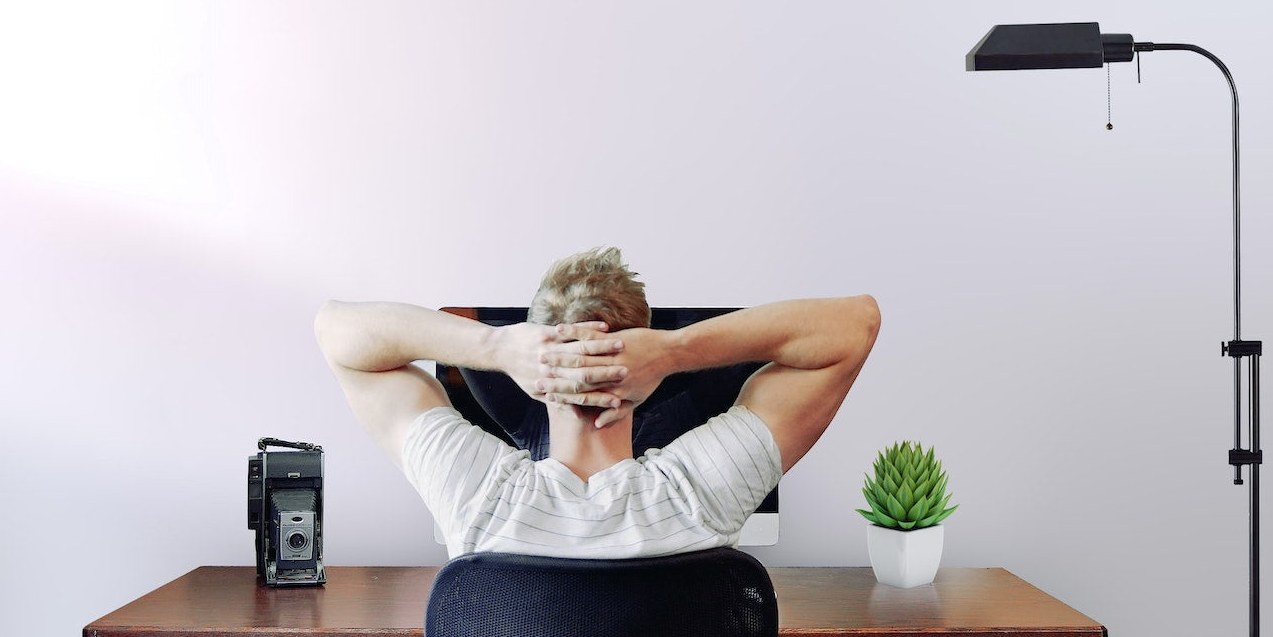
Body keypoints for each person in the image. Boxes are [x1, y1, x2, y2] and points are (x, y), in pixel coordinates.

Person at [314, 247, 880, 558]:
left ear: (537, 372)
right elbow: (855, 325)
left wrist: (496, 345)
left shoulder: (475, 494)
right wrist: (676, 349)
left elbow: (336, 332)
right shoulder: (701, 493)